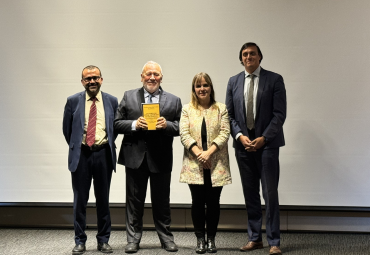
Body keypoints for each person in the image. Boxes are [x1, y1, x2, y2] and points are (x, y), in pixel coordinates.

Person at [114, 61, 182, 253]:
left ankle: (166, 238)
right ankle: (133, 239)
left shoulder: (174, 100)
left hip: (161, 158)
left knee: (162, 202)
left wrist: (166, 125)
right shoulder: (128, 96)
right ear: (142, 76)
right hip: (135, 158)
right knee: (134, 202)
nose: (152, 78)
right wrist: (135, 124)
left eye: (156, 74)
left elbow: (181, 127)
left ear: (161, 77)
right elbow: (116, 124)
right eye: (148, 74)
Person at [225, 43, 287, 255]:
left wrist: (264, 138)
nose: (249, 56)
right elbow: (229, 116)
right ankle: (254, 238)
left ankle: (274, 242)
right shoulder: (233, 82)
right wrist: (240, 136)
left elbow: (279, 114)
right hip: (243, 147)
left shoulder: (274, 79)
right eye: (245, 54)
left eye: (252, 53)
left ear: (260, 56)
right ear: (241, 59)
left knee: (269, 194)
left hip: (267, 146)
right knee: (250, 194)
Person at [63, 65, 118, 254]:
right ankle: (80, 240)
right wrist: (81, 145)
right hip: (82, 155)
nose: (92, 81)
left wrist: (101, 144)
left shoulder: (112, 101)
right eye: (88, 79)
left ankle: (103, 240)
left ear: (101, 79)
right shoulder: (73, 101)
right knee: (80, 201)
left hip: (103, 154)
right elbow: (67, 130)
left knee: (103, 199)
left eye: (95, 77)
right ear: (82, 82)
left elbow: (115, 130)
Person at [179, 72, 231, 254]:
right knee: (197, 202)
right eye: (198, 86)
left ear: (211, 88)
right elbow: (184, 134)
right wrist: (200, 155)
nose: (202, 89)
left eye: (205, 85)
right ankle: (200, 239)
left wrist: (208, 154)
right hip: (194, 164)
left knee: (214, 202)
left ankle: (211, 239)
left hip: (216, 164)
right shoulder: (187, 109)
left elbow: (225, 133)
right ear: (194, 89)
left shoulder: (221, 108)